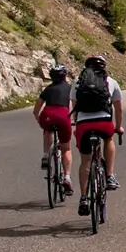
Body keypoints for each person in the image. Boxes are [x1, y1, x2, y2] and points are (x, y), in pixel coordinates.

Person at [72, 54, 124, 216]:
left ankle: (83, 198)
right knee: (109, 139)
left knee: (85, 161)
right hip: (104, 122)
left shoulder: (78, 82)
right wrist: (119, 127)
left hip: (83, 124)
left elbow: (74, 107)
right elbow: (118, 108)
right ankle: (109, 175)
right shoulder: (111, 82)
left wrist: (78, 122)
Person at [34, 61, 75, 195]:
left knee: (48, 130)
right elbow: (73, 107)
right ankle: (67, 177)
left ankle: (46, 154)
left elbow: (36, 110)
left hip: (47, 115)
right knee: (66, 149)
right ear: (65, 76)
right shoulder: (70, 88)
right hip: (63, 116)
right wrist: (73, 120)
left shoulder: (48, 89)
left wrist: (40, 121)